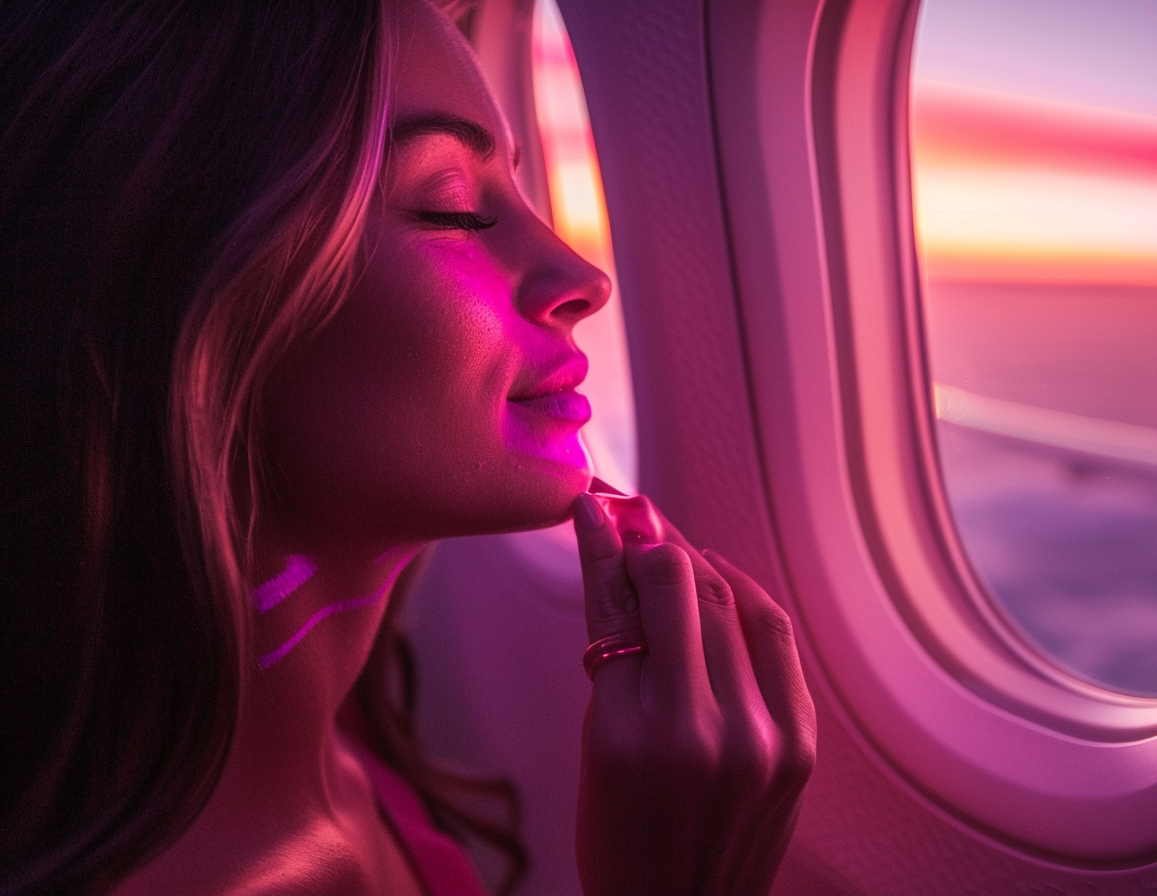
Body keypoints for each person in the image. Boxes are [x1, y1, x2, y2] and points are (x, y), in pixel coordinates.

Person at [0, 0, 817, 893]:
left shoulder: (347, 752)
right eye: (454, 207)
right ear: (181, 298)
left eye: (516, 186)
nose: (584, 279)